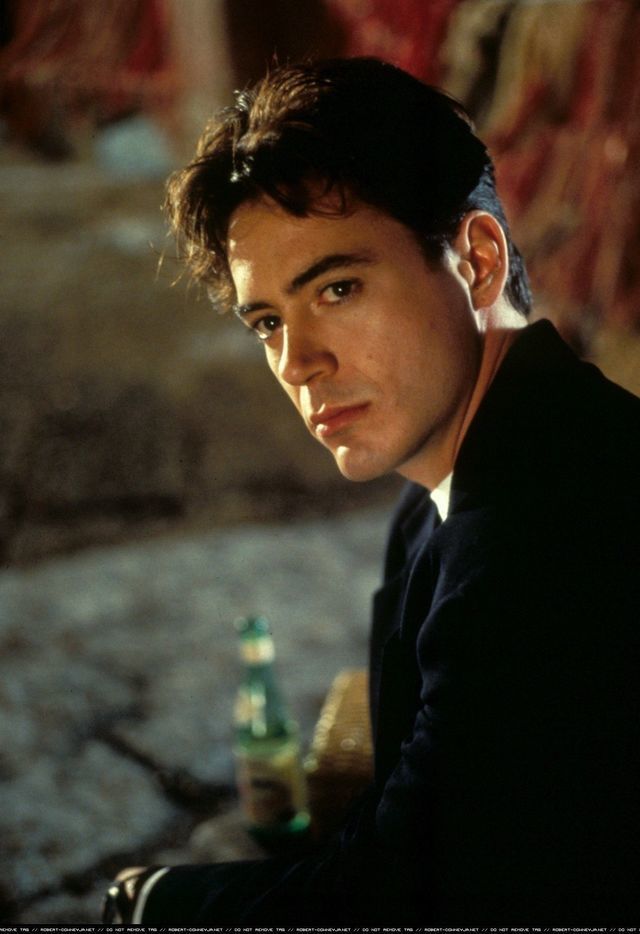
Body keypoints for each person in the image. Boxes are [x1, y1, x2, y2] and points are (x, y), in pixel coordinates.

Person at [103, 57, 640, 925]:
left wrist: (151, 902)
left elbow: (403, 893)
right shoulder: (455, 482)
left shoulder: (537, 540)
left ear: (477, 261)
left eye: (338, 289)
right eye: (269, 321)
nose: (297, 363)